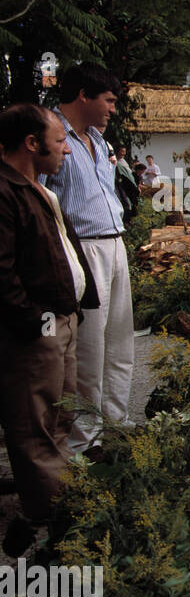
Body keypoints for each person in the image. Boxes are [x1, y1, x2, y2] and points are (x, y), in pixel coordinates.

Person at [0, 104, 98, 525]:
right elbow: (2, 272)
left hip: (60, 320)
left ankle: (64, 499)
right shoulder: (5, 191)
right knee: (34, 423)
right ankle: (56, 520)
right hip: (37, 330)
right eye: (60, 142)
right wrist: (33, 322)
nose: (68, 151)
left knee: (59, 416)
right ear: (31, 143)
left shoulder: (38, 187)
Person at [43, 63, 133, 456]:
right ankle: (84, 438)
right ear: (84, 96)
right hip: (83, 246)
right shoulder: (54, 135)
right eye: (109, 100)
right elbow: (40, 195)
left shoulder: (98, 139)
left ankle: (116, 419)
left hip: (115, 242)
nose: (113, 109)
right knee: (90, 346)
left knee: (119, 340)